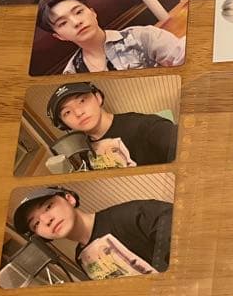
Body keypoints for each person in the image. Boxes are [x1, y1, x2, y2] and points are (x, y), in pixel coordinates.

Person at [12, 186, 172, 280]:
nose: (46, 220)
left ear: (69, 199)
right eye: (36, 224)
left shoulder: (134, 214)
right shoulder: (81, 258)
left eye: (48, 206)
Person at [36, 0, 185, 73]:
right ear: (59, 36)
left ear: (93, 13)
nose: (76, 22)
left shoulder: (142, 36)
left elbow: (181, 56)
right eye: (63, 23)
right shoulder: (72, 72)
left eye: (79, 12)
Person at [48, 80, 177, 167]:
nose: (78, 112)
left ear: (98, 97)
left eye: (82, 101)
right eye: (67, 112)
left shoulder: (146, 126)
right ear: (64, 125)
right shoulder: (84, 151)